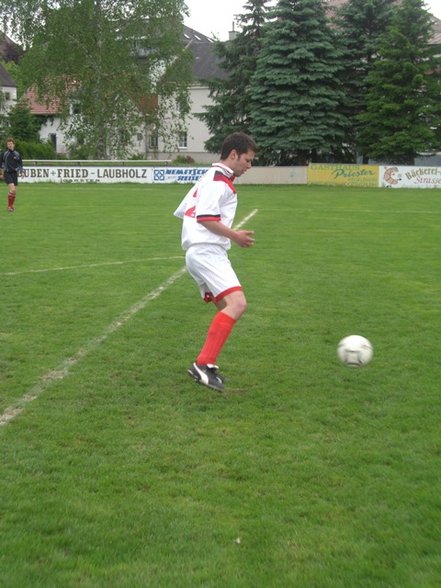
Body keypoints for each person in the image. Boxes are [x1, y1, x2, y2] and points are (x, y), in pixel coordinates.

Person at [174, 132, 257, 392]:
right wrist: (235, 236)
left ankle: (206, 364)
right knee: (238, 303)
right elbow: (205, 218)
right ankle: (202, 364)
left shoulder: (209, 178)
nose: (249, 165)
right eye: (247, 159)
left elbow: (184, 212)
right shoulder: (218, 181)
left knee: (225, 307)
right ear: (233, 154)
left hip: (201, 252)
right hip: (207, 252)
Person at [1, 138, 24, 212]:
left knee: (14, 191)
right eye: (8, 144)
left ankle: (11, 206)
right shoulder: (4, 154)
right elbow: (1, 164)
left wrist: (22, 172)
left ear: (13, 144)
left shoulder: (17, 154)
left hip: (14, 174)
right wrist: (1, 173)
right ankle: (10, 207)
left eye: (11, 144)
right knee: (13, 189)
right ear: (7, 146)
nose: (9, 145)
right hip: (7, 173)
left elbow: (20, 164)